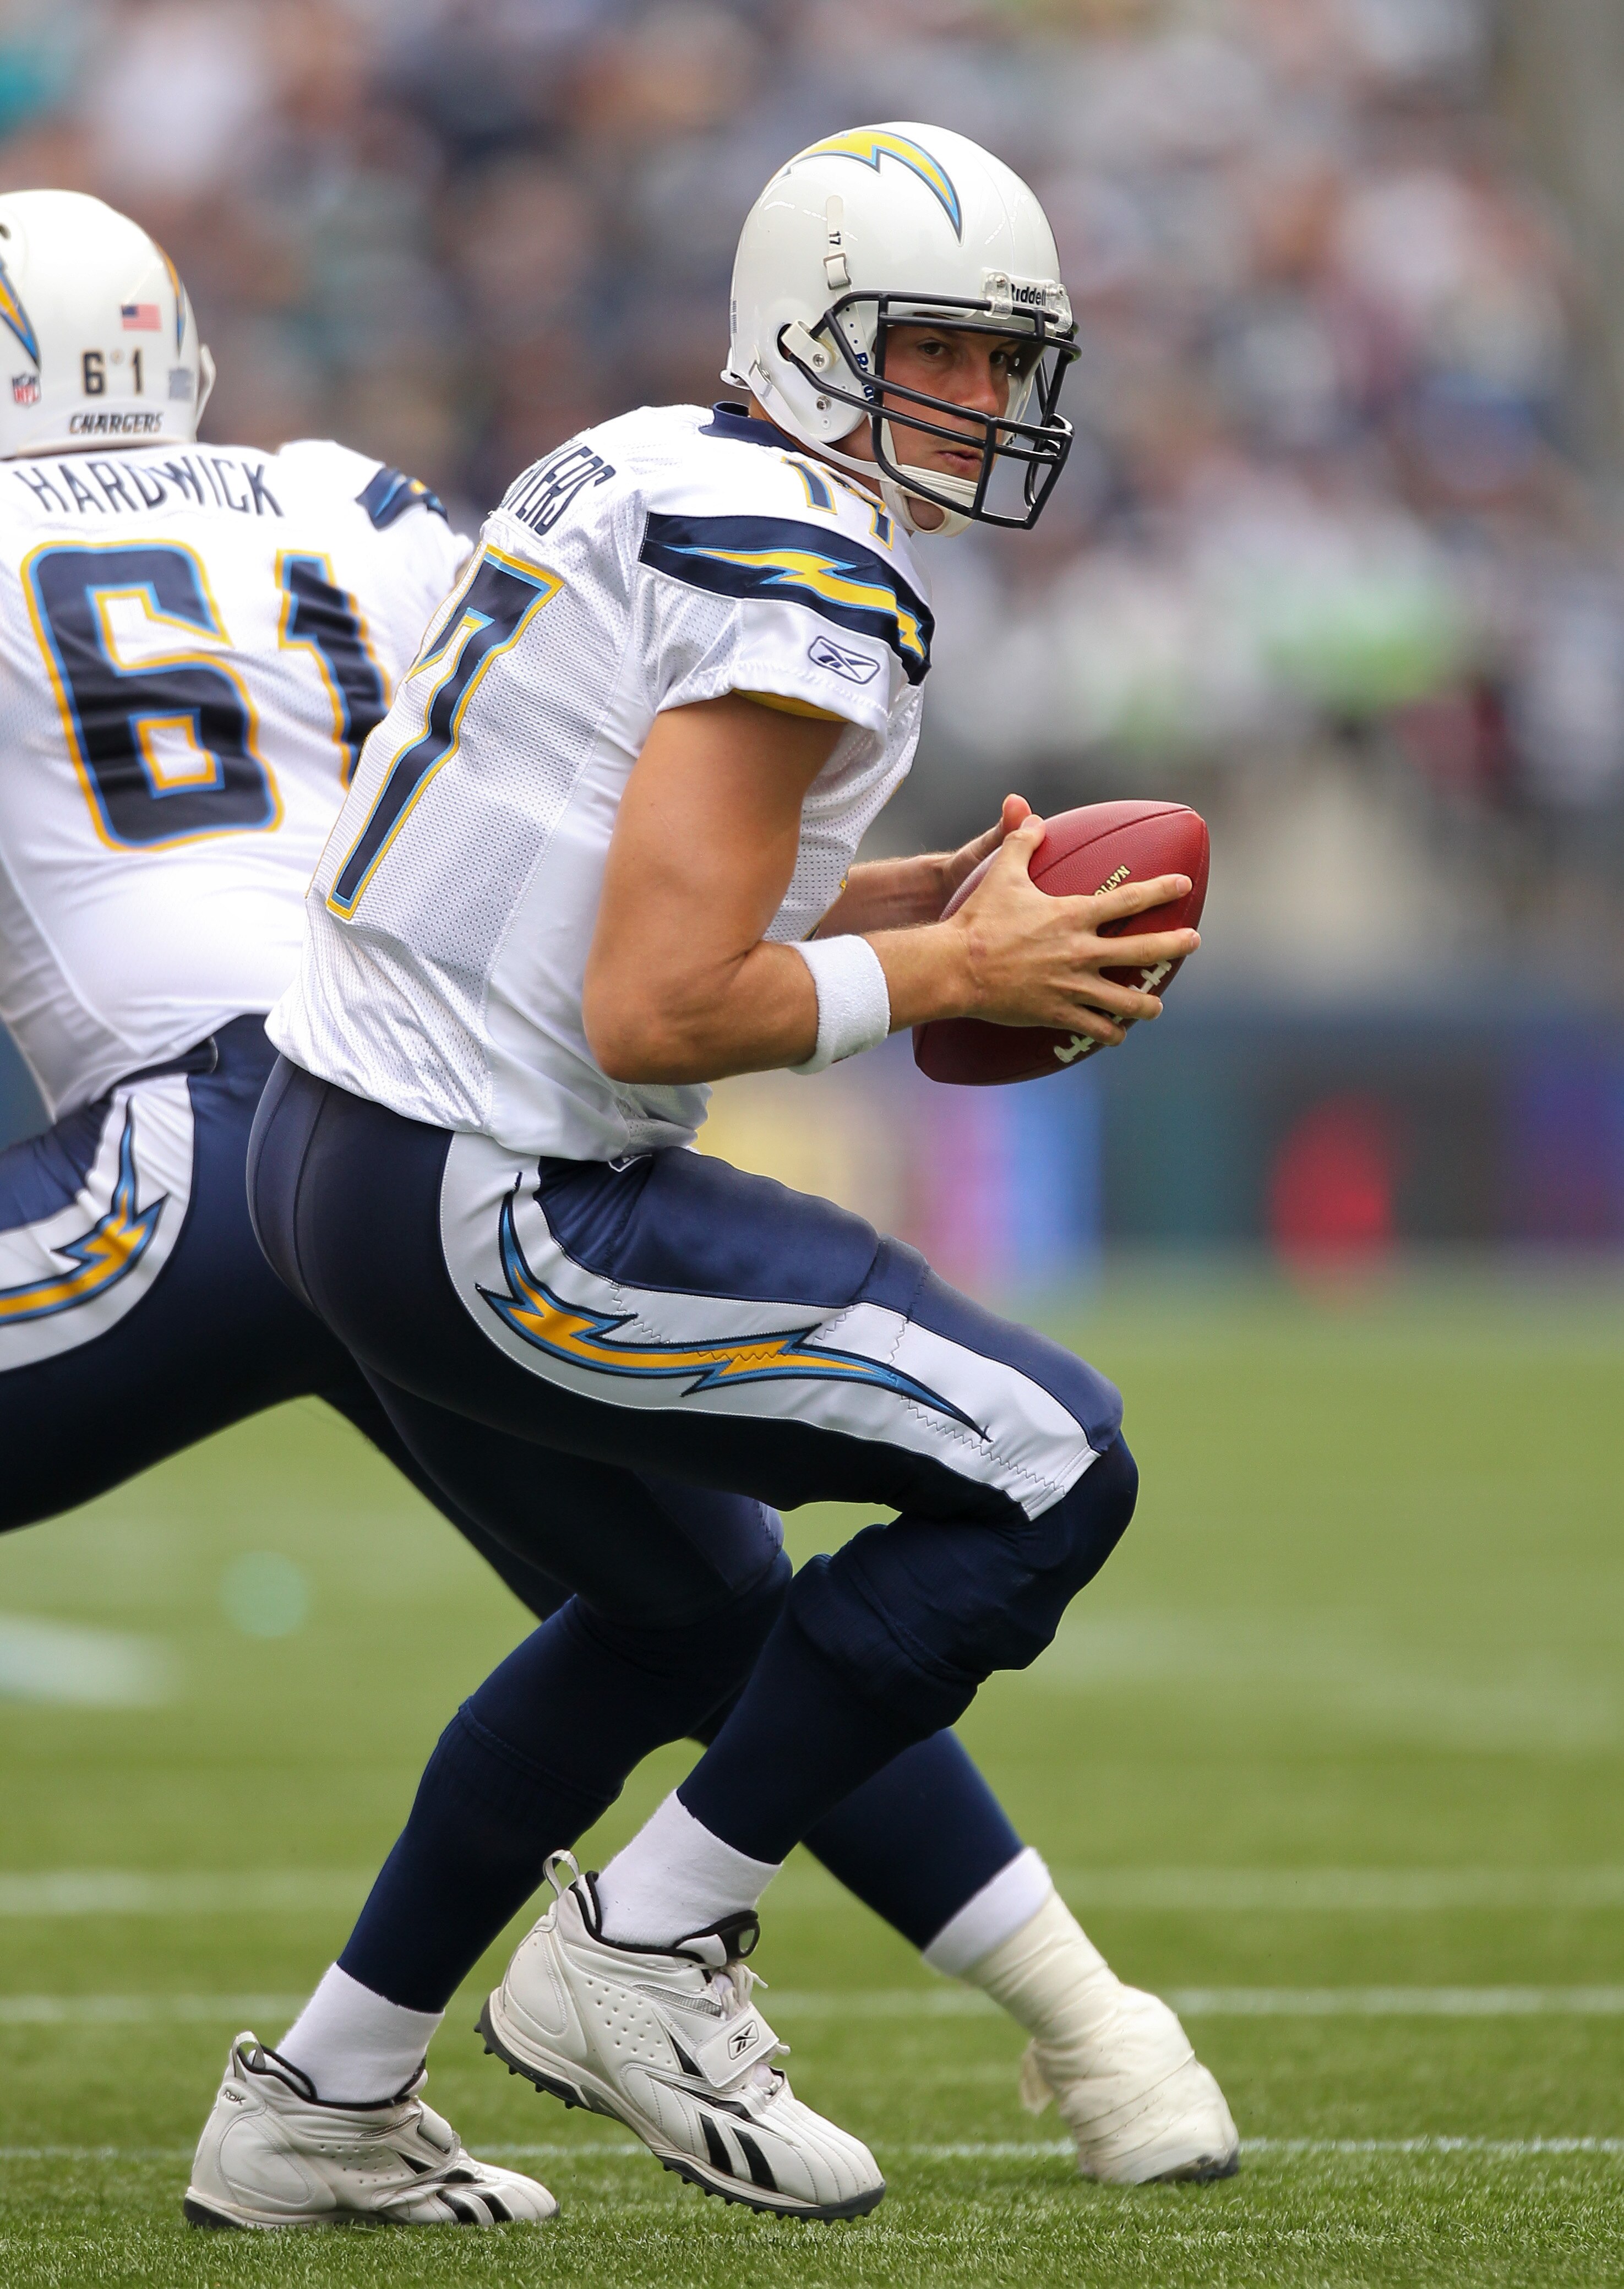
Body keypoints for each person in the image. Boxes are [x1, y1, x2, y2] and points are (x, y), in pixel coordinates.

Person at [0, 184, 1231, 2233]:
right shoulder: (345, 495)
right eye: (941, 351)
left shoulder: (636, 461)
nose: (986, 399)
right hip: (394, 1119)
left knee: (698, 1606)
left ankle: (345, 2088)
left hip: (280, 1117)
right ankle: (776, 1975)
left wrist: (897, 915)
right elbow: (632, 953)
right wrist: (946, 963)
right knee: (862, 1545)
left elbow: (558, 850)